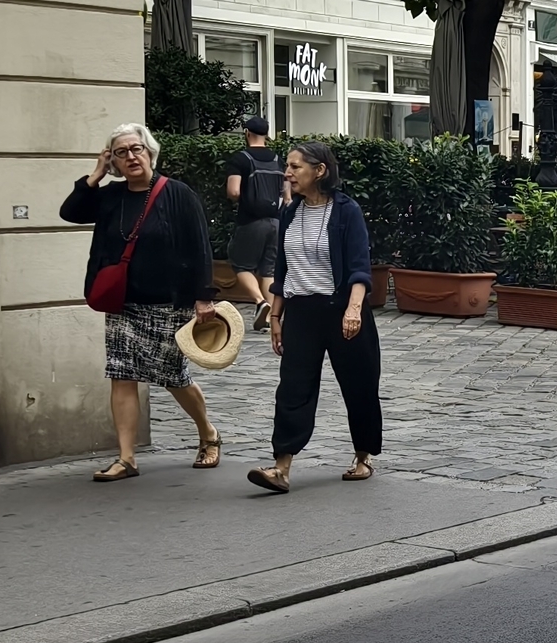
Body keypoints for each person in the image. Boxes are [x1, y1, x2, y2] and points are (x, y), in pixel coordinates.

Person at [60, 124, 224, 480]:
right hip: (124, 304)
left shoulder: (177, 194)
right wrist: (96, 175)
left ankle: (208, 433)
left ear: (150, 152)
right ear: (113, 161)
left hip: (169, 303)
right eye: (121, 153)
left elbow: (199, 247)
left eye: (136, 149)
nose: (130, 157)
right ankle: (127, 458)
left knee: (173, 376)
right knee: (122, 375)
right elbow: (70, 212)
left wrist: (203, 297)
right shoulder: (111, 197)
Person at [251, 142, 384, 493]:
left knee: (359, 387)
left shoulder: (346, 211)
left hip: (342, 310)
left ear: (319, 170)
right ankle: (281, 467)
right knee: (293, 388)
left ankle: (362, 455)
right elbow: (282, 268)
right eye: (288, 167)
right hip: (301, 313)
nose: (288, 173)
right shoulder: (290, 212)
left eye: (295, 167)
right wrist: (276, 315)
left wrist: (353, 310)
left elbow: (359, 268)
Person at [223, 117, 284, 324]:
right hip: (275, 220)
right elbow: (287, 193)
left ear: (247, 133)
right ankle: (270, 319)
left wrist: (238, 198)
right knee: (269, 269)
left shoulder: (241, 159)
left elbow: (233, 191)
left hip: (250, 220)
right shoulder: (278, 158)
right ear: (266, 134)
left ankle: (260, 302)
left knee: (241, 264)